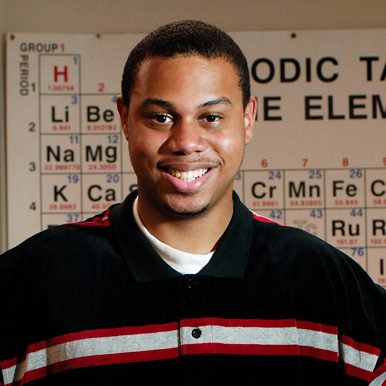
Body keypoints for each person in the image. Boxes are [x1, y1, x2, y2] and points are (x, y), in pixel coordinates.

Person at [0, 20, 385, 386]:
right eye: (162, 117)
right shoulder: (34, 278)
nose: (186, 141)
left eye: (212, 117)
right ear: (125, 118)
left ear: (248, 120)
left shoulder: (324, 279)